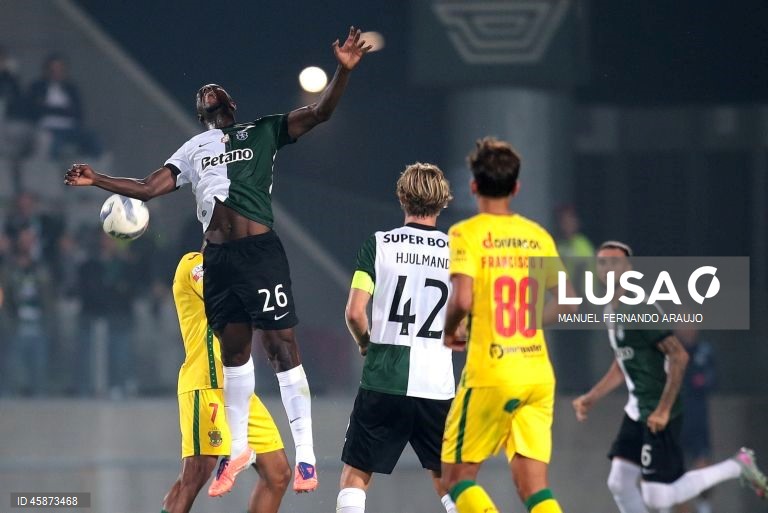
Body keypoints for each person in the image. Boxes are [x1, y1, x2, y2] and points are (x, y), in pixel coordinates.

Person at [64, 26, 371, 496]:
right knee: (235, 353)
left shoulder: (265, 130)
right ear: (201, 113)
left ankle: (307, 456)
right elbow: (148, 188)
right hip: (219, 259)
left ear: (230, 104)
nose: (207, 90)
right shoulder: (192, 150)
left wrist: (342, 72)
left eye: (215, 90)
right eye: (201, 94)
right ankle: (239, 449)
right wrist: (97, 179)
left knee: (282, 348)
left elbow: (321, 112)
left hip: (260, 252)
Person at [572, 241, 768, 513]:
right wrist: (592, 397)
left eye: (615, 262)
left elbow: (679, 355)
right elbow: (622, 363)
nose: (608, 268)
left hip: (659, 408)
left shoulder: (640, 308)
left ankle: (737, 465)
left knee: (657, 498)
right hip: (637, 409)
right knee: (619, 482)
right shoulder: (610, 310)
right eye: (602, 263)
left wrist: (663, 410)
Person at [439, 137, 577, 513]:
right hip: (537, 374)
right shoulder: (537, 235)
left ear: (473, 186)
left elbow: (462, 300)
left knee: (457, 477)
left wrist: (450, 331)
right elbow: (567, 301)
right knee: (534, 487)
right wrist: (529, 320)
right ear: (515, 188)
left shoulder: (466, 233)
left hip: (492, 371)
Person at [339, 163, 457, 513]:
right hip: (436, 383)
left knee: (355, 476)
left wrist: (365, 343)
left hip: (384, 377)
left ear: (402, 197)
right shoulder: (458, 251)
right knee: (450, 481)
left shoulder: (379, 244)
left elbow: (354, 313)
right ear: (442, 202)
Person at [161, 251, 290, 513]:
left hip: (239, 390)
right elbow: (222, 298)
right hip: (206, 385)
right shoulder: (193, 263)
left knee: (277, 474)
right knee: (195, 474)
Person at [27, 53, 101, 159]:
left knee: (93, 139)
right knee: (53, 146)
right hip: (49, 128)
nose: (56, 73)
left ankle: (92, 166)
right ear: (46, 70)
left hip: (71, 127)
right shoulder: (37, 87)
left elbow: (78, 112)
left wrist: (49, 108)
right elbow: (34, 110)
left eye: (60, 69)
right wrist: (64, 110)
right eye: (53, 70)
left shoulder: (71, 88)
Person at [675, 326, 716, 513]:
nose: (688, 330)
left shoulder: (704, 352)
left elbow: (709, 381)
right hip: (674, 421)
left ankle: (704, 507)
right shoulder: (667, 352)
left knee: (703, 467)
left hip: (697, 421)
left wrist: (697, 379)